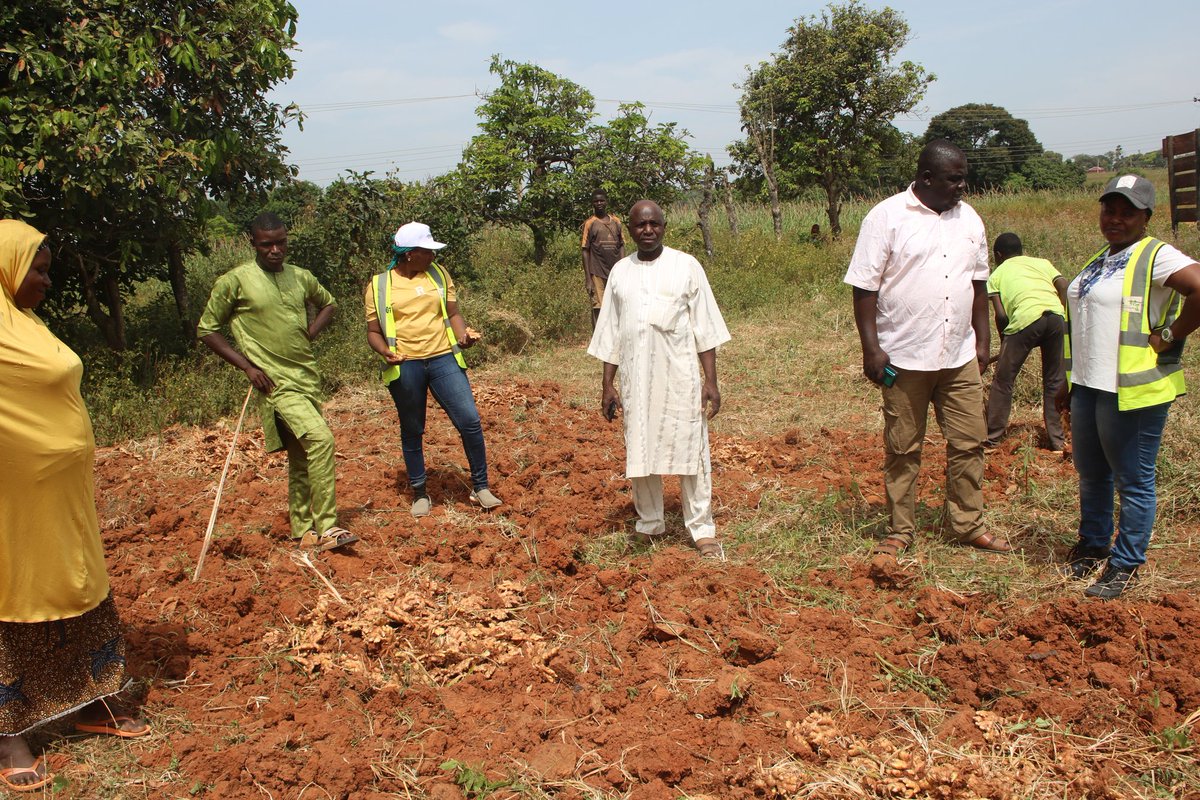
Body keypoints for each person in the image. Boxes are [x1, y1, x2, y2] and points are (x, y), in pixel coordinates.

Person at [1, 220, 150, 793]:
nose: (45, 278)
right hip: (11, 496)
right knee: (13, 585)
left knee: (74, 578)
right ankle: (9, 735)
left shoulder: (26, 324)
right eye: (36, 268)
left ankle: (88, 701)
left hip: (58, 492)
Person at [845, 139, 1011, 557]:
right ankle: (901, 529)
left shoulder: (970, 219)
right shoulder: (886, 217)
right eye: (955, 179)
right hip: (903, 357)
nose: (962, 187)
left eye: (963, 179)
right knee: (903, 448)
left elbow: (977, 283)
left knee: (969, 442)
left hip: (958, 356)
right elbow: (864, 287)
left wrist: (983, 338)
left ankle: (966, 524)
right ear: (926, 178)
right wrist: (872, 350)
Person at [1056, 175, 1200, 599]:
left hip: (1132, 390)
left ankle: (1125, 562)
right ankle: (1093, 543)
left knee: (1133, 480)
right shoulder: (1102, 258)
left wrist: (1170, 335)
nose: (1115, 219)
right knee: (1092, 473)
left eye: (1127, 212)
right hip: (1089, 385)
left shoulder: (1156, 255)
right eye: (1109, 209)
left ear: (1146, 217)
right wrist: (1070, 383)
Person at [198, 213, 358, 552]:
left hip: (307, 378)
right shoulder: (235, 281)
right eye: (266, 244)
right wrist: (246, 367)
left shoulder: (300, 277)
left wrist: (310, 332)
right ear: (253, 243)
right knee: (321, 440)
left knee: (302, 457)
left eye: (280, 242)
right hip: (274, 384)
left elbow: (328, 303)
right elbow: (207, 329)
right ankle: (328, 527)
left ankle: (303, 531)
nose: (275, 250)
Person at [588, 200, 730, 559]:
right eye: (640, 226)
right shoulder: (620, 272)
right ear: (630, 231)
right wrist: (608, 385)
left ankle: (701, 529)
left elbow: (705, 329)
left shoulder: (686, 266)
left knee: (692, 451)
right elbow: (611, 334)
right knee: (641, 450)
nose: (647, 231)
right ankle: (650, 523)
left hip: (680, 377)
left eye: (654, 224)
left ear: (664, 226)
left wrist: (710, 381)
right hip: (637, 380)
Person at [365, 222, 500, 517]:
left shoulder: (438, 274)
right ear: (409, 253)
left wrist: (463, 336)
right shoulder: (379, 285)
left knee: (470, 420)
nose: (432, 256)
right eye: (427, 251)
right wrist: (384, 351)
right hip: (407, 364)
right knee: (413, 429)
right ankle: (420, 492)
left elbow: (453, 313)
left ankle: (481, 486)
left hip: (443, 359)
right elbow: (373, 331)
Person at [984, 232, 1068, 451]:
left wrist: (1006, 342)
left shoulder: (996, 274)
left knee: (1003, 381)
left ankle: (992, 439)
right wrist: (1067, 316)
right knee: (1054, 381)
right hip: (1056, 318)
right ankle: (1058, 441)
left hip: (1025, 319)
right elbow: (1064, 285)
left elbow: (1001, 316)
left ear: (998, 255)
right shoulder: (1042, 263)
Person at [581, 189, 625, 328]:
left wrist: (623, 268)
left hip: (615, 271)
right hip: (597, 271)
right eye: (596, 201)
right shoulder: (590, 223)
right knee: (598, 307)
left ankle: (616, 337)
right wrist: (588, 278)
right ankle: (597, 339)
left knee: (619, 304)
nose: (599, 203)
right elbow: (585, 250)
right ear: (592, 204)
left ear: (606, 202)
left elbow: (622, 245)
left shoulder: (616, 222)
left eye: (601, 200)